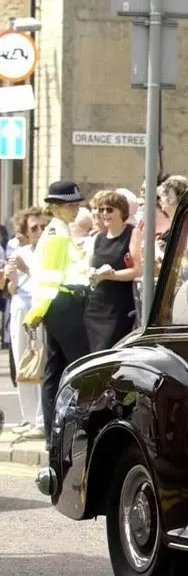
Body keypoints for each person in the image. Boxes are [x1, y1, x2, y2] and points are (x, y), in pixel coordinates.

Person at [26, 180, 92, 441]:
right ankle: (81, 424)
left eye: (76, 204)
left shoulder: (60, 231)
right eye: (69, 204)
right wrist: (37, 312)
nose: (75, 208)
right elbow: (48, 279)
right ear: (54, 207)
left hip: (62, 304)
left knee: (57, 367)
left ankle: (55, 428)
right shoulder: (56, 234)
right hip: (62, 305)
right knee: (81, 364)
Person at [84, 191, 141, 351]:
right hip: (95, 306)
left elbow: (137, 270)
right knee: (94, 355)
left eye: (109, 210)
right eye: (101, 210)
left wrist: (110, 275)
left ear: (122, 211)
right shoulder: (99, 238)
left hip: (118, 307)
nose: (104, 214)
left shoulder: (132, 233)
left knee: (110, 351)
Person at [5, 208, 45, 435]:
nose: (39, 231)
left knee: (40, 359)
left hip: (39, 306)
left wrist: (25, 268)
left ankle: (40, 419)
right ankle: (28, 417)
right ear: (25, 232)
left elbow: (42, 278)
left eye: (42, 227)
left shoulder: (45, 252)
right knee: (22, 360)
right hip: (21, 304)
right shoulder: (19, 251)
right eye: (34, 228)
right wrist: (11, 275)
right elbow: (11, 288)